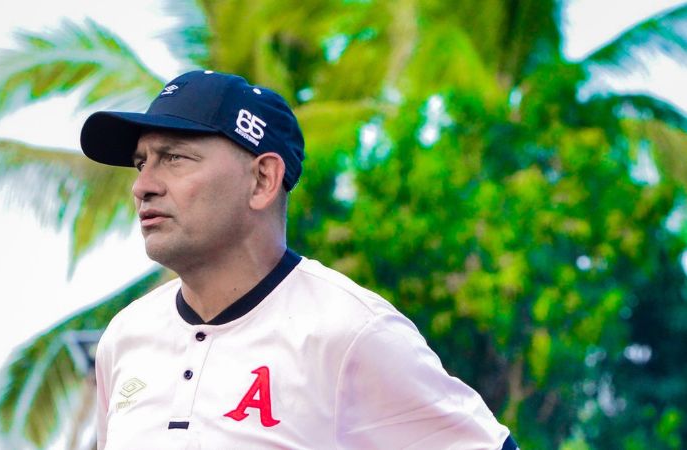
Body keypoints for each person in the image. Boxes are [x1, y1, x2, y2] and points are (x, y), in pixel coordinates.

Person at [81, 69, 518, 450]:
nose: (143, 186)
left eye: (174, 158)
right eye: (141, 163)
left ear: (262, 179)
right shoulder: (124, 338)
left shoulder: (350, 331)